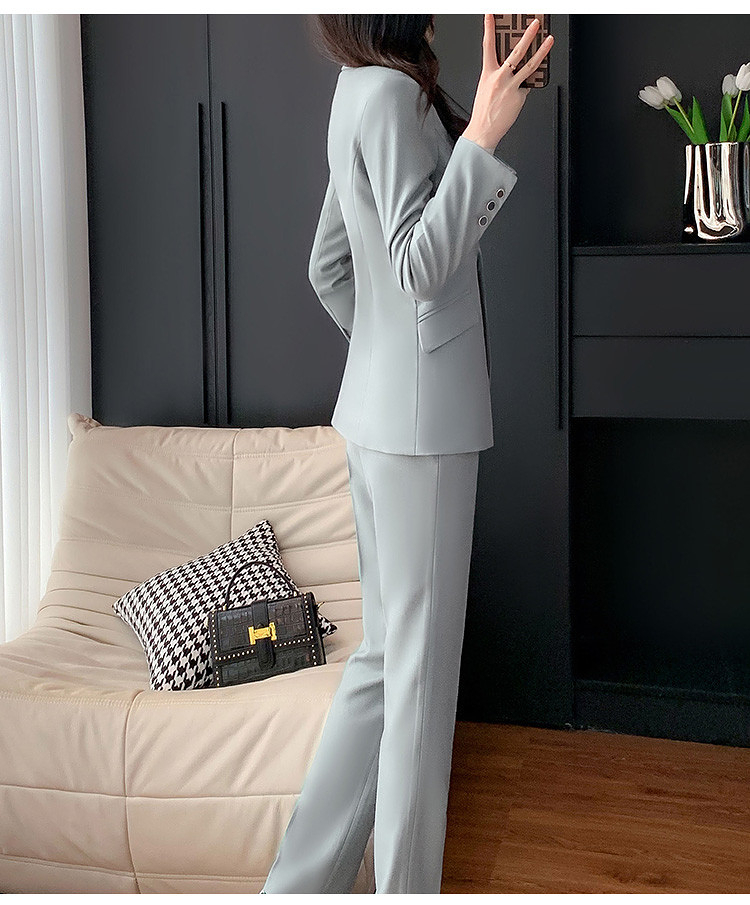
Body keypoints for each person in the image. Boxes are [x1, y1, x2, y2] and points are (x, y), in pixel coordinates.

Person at [261, 13, 553, 895]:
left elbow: (329, 266)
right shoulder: (389, 97)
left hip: (379, 419)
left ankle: (296, 885)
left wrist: (388, 365)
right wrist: (486, 133)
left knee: (384, 667)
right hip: (421, 433)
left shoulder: (360, 90)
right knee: (418, 690)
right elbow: (419, 266)